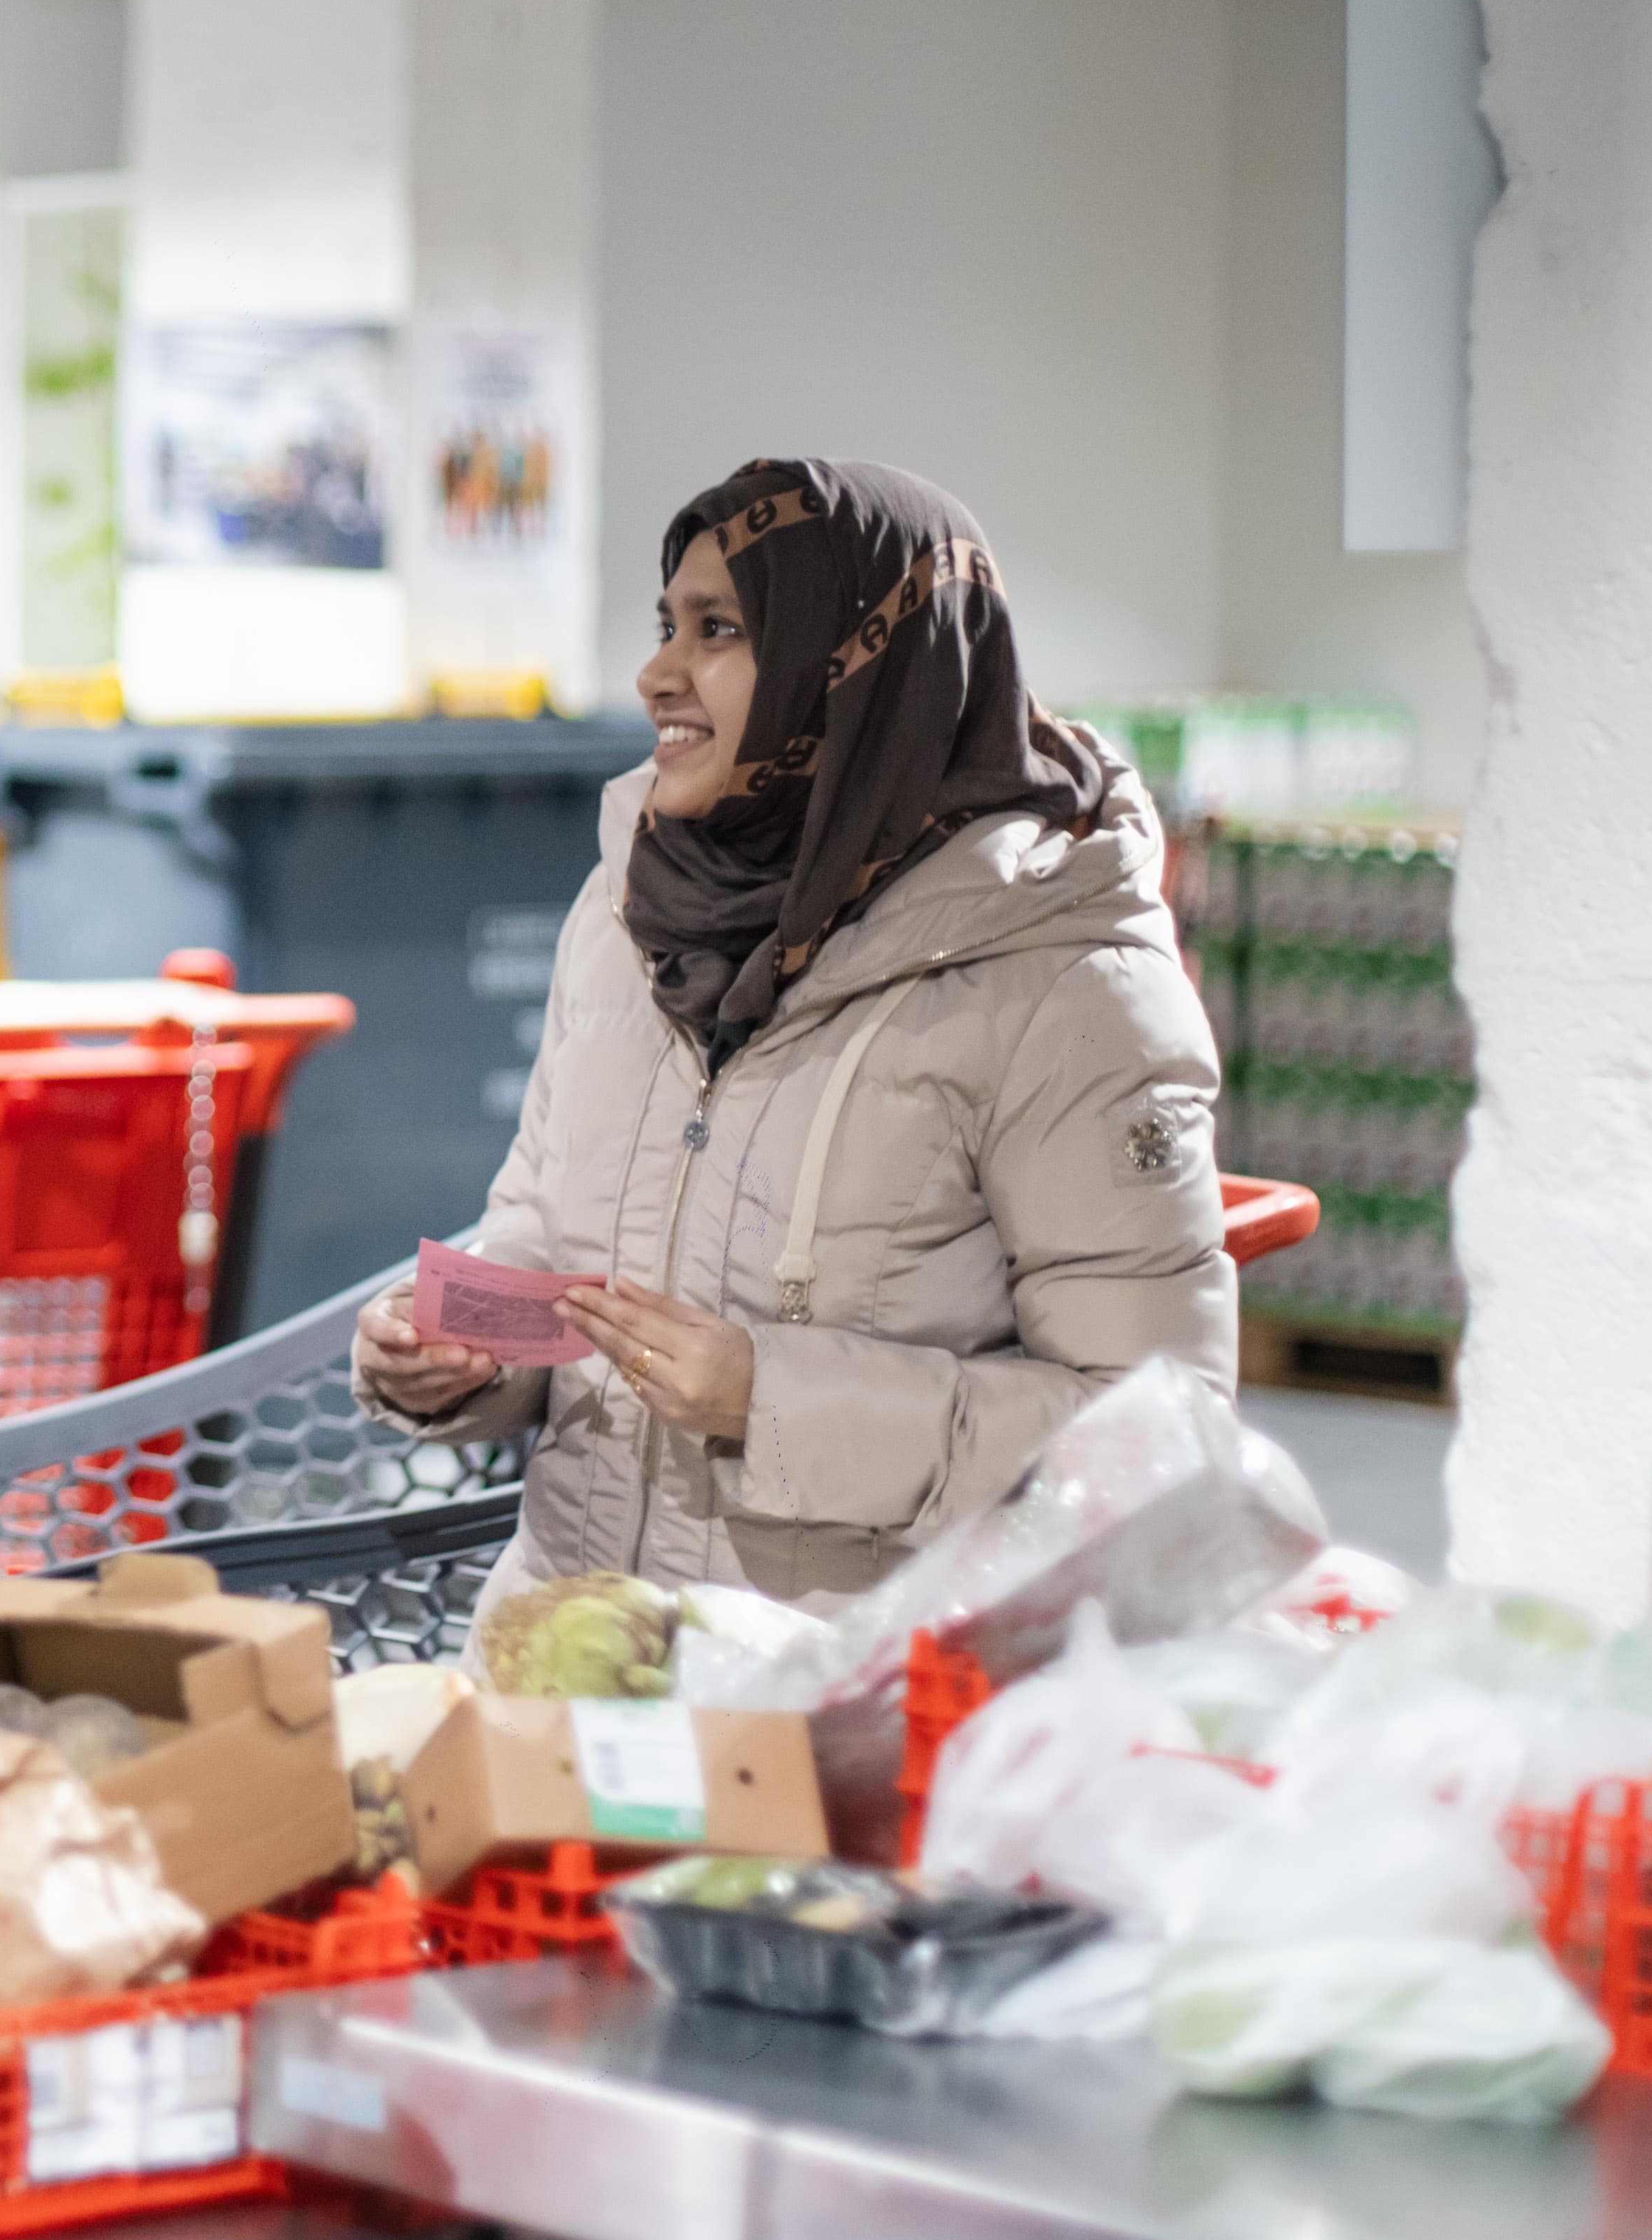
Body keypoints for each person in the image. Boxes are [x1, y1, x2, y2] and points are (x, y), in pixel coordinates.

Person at [353, 459, 1233, 1609]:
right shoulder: (633, 912)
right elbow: (546, 1239)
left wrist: (772, 1402)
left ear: (854, 663)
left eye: (718, 630)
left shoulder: (1063, 987)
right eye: (666, 623)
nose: (656, 673)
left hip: (848, 1713)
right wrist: (456, 1357)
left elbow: (1161, 1443)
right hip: (571, 1675)